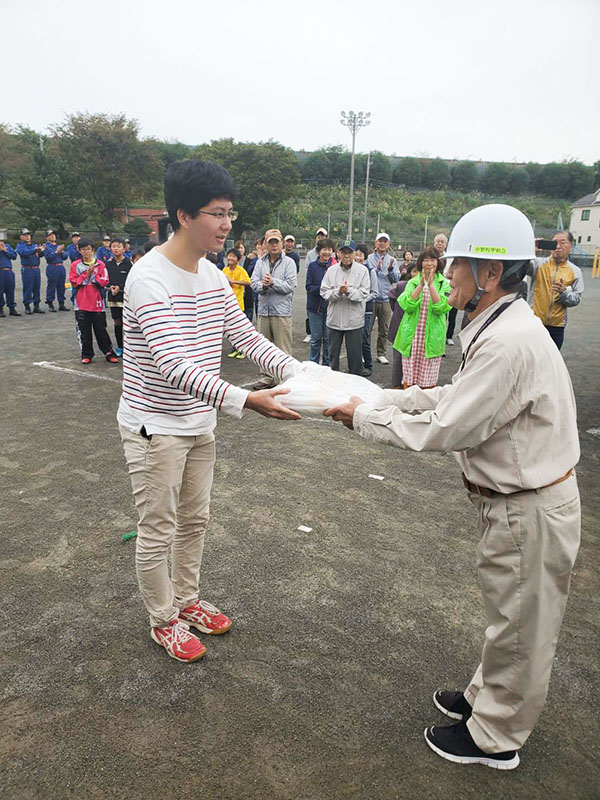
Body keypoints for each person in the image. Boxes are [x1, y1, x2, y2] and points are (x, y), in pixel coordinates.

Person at [325, 203, 580, 771]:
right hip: (519, 501)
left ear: (491, 274)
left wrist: (361, 418)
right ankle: (484, 700)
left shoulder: (508, 341)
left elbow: (448, 426)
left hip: (529, 504)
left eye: (457, 266)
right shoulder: (499, 325)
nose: (447, 276)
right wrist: (381, 397)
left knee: (522, 623)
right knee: (508, 612)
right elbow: (450, 397)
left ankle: (497, 737)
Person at [117, 158, 301, 663]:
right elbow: (172, 363)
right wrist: (246, 400)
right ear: (183, 215)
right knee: (159, 525)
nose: (226, 225)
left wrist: (301, 375)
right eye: (217, 214)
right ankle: (163, 620)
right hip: (156, 427)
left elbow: (243, 337)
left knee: (194, 520)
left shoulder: (214, 276)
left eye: (230, 214)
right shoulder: (148, 277)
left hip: (200, 423)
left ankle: (188, 600)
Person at [396, 247, 451, 388]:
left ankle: (425, 405)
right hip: (412, 336)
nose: (429, 263)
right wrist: (420, 286)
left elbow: (443, 307)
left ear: (438, 262)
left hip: (432, 337)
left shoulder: (444, 283)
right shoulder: (413, 282)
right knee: (410, 375)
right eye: (425, 260)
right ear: (420, 262)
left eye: (432, 260)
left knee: (428, 378)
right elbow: (406, 305)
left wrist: (431, 286)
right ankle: (408, 405)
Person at [250, 228, 297, 390]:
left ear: (281, 242)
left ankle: (286, 379)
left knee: (283, 347)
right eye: (271, 242)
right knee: (264, 347)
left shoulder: (289, 263)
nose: (274, 245)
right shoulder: (260, 262)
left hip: (281, 311)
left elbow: (290, 286)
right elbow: (253, 284)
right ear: (265, 244)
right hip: (263, 311)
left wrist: (273, 282)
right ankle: (267, 377)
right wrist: (263, 285)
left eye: (276, 242)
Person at [320, 239, 370, 375]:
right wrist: (338, 292)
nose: (347, 255)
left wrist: (348, 291)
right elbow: (324, 292)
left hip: (354, 322)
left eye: (350, 252)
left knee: (355, 359)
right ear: (338, 253)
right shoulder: (331, 271)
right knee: (332, 357)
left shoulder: (363, 271)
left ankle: (355, 387)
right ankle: (332, 385)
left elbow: (363, 294)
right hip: (334, 321)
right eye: (343, 252)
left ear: (354, 254)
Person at [529, 231, 584, 350]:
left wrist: (564, 293)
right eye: (554, 243)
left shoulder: (575, 271)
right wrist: (529, 249)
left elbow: (576, 299)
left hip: (557, 326)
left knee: (551, 362)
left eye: (563, 243)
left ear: (571, 246)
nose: (558, 247)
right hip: (534, 322)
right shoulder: (537, 264)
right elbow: (517, 268)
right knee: (531, 359)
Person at [69, 238, 119, 364]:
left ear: (93, 250)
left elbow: (104, 281)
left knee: (101, 329)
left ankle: (108, 352)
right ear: (79, 251)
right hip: (81, 303)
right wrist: (86, 274)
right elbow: (74, 282)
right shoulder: (75, 265)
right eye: (84, 250)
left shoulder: (100, 264)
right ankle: (86, 354)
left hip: (97, 303)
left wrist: (94, 274)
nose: (86, 252)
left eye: (89, 249)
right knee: (84, 330)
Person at [367, 232, 399, 364]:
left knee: (384, 328)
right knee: (367, 328)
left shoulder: (393, 260)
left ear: (388, 244)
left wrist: (390, 270)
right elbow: (367, 273)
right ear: (375, 243)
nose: (382, 243)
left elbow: (396, 279)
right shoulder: (369, 258)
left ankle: (381, 353)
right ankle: (366, 352)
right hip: (371, 298)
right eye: (380, 241)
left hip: (386, 298)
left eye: (385, 241)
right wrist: (377, 268)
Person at [387, 263, 418, 388]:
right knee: (398, 358)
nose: (417, 275)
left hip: (416, 328)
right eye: (414, 271)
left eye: (419, 272)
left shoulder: (426, 287)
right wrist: (398, 312)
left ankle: (411, 384)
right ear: (409, 273)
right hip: (400, 326)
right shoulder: (402, 286)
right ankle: (396, 385)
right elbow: (391, 297)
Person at [306, 237, 335, 366]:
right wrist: (323, 290)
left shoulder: (335, 267)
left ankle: (327, 365)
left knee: (328, 339)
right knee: (315, 339)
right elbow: (308, 286)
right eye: (324, 249)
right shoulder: (312, 266)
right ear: (319, 251)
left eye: (329, 249)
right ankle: (314, 365)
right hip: (314, 308)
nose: (327, 252)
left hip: (330, 308)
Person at [106, 237, 133, 356]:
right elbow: (105, 280)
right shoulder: (108, 264)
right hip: (113, 298)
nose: (116, 249)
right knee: (117, 323)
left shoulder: (129, 264)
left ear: (124, 248)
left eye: (118, 246)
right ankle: (120, 347)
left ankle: (130, 347)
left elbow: (131, 280)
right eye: (114, 246)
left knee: (128, 323)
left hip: (126, 298)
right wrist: (110, 287)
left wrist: (120, 288)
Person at [222, 247, 251, 358]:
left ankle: (242, 350)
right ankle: (235, 348)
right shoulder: (225, 270)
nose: (231, 258)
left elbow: (248, 282)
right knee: (231, 330)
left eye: (233, 256)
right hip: (227, 303)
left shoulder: (241, 270)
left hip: (238, 303)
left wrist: (233, 282)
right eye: (229, 255)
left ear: (238, 259)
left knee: (239, 329)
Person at [303, 227, 328, 342]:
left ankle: (327, 360)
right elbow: (309, 277)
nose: (320, 238)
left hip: (328, 301)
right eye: (319, 236)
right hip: (315, 296)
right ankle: (309, 332)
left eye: (323, 236)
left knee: (327, 338)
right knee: (315, 339)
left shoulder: (333, 260)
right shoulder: (310, 256)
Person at [354, 243, 375, 377]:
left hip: (366, 310)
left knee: (364, 337)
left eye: (360, 255)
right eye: (356, 254)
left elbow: (374, 292)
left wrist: (361, 298)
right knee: (354, 338)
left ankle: (368, 364)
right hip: (353, 309)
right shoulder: (352, 270)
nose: (358, 257)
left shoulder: (370, 271)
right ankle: (356, 365)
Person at [16, 228, 44, 314]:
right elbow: (24, 253)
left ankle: (36, 305)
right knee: (28, 287)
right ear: (21, 237)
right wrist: (35, 250)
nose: (27, 237)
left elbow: (41, 255)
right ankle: (27, 306)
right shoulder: (20, 245)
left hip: (36, 268)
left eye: (28, 235)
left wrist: (42, 250)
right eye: (25, 235)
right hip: (27, 268)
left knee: (36, 287)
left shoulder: (34, 245)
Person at [43, 229, 69, 311]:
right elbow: (48, 257)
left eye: (53, 234)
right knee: (52, 285)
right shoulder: (46, 246)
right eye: (50, 235)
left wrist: (61, 252)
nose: (53, 236)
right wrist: (56, 252)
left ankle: (61, 303)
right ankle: (50, 302)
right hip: (52, 266)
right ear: (47, 237)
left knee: (61, 285)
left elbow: (65, 256)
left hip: (60, 266)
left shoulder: (58, 245)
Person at [0, 239, 20, 316]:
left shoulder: (7, 246)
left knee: (10, 290)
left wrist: (5, 250)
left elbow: (14, 256)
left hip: (8, 271)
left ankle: (12, 308)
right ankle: (0, 309)